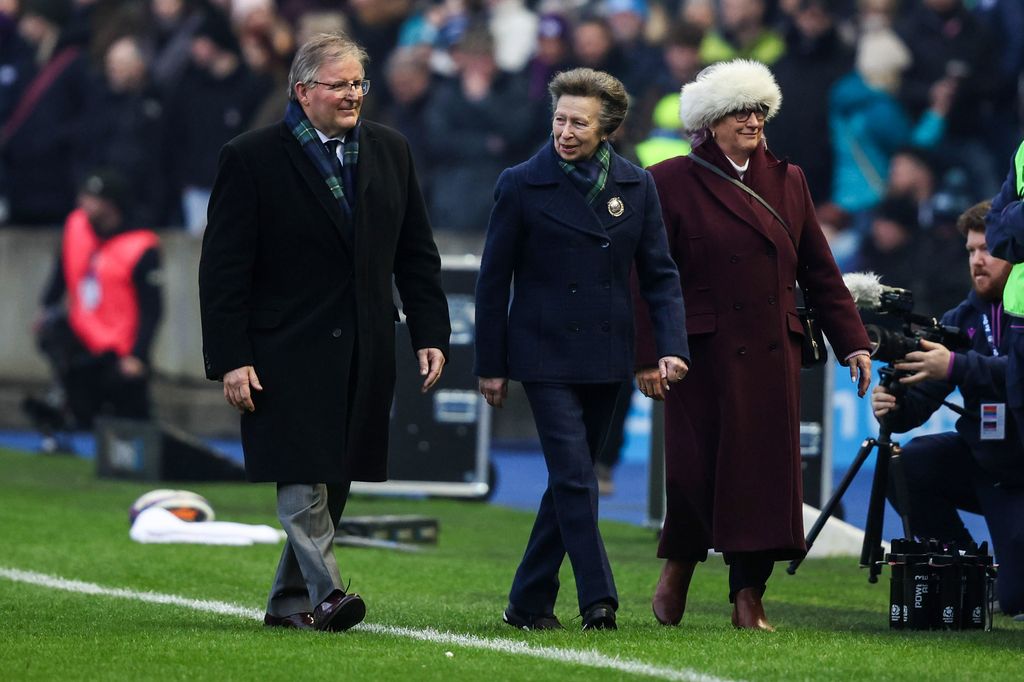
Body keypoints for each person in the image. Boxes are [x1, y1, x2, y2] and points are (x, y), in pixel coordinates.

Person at [198, 32, 451, 633]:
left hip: (365, 343)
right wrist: (231, 357)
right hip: (281, 348)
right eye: (338, 85)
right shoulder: (251, 156)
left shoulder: (391, 150)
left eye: (358, 83)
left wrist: (429, 331)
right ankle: (331, 595)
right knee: (299, 471)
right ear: (302, 91)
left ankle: (289, 603)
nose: (353, 95)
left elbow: (416, 253)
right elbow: (223, 268)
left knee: (334, 475)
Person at [636, 59, 872, 631]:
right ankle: (680, 565)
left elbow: (820, 269)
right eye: (741, 111)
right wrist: (647, 353)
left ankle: (749, 595)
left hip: (772, 350)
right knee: (695, 473)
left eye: (760, 110)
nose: (753, 120)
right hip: (699, 355)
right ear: (711, 121)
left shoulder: (789, 180)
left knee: (764, 479)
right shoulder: (667, 180)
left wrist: (854, 344)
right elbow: (644, 275)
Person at [475, 67, 689, 631]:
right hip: (543, 353)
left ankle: (527, 600)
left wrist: (669, 347)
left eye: (579, 122)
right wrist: (490, 365)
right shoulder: (520, 182)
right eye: (560, 119)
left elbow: (659, 277)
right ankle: (600, 598)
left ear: (609, 128)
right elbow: (493, 281)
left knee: (568, 481)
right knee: (576, 475)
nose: (566, 131)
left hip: (609, 354)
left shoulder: (637, 186)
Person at [872, 200, 1024, 618]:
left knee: (1018, 602)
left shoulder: (1021, 309)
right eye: (971, 250)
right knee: (901, 464)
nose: (977, 260)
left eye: (987, 250)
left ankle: (1006, 580)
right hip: (985, 461)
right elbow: (919, 404)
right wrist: (893, 405)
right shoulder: (961, 319)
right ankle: (967, 567)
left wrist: (958, 364)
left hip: (1020, 471)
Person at [30, 170, 162, 431]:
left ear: (111, 205)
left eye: (93, 198)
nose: (84, 203)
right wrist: (47, 307)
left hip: (118, 347)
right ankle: (65, 405)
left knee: (131, 424)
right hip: (83, 334)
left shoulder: (140, 245)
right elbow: (63, 269)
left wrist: (138, 355)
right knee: (54, 337)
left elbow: (153, 309)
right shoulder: (76, 226)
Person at [986, 142, 1024, 452]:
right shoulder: (1023, 151)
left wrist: (1014, 212)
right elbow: (995, 234)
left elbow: (1006, 216)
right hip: (1021, 324)